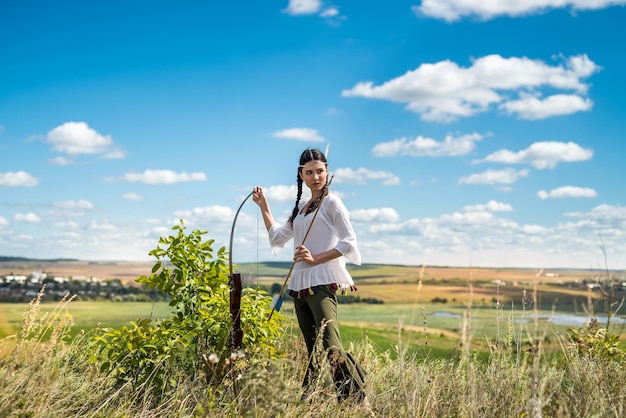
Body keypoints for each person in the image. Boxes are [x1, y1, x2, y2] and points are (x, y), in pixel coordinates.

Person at [252, 148, 369, 405]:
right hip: (300, 284)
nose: (316, 176)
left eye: (320, 171)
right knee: (313, 347)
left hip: (322, 280)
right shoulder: (303, 208)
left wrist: (315, 258)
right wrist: (264, 206)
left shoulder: (332, 203)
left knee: (331, 345)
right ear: (301, 175)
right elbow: (278, 236)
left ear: (327, 171)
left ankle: (356, 398)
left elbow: (349, 243)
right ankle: (310, 399)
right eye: (309, 172)